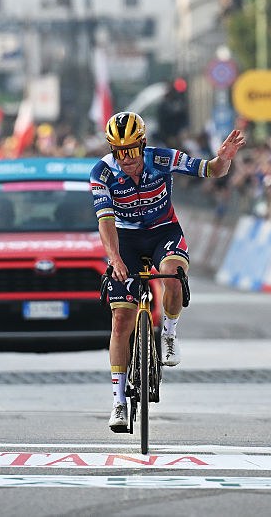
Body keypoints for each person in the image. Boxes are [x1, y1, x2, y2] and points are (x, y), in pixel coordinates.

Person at [91, 111, 245, 432]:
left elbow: (210, 170)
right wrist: (115, 259)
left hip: (164, 233)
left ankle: (170, 334)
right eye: (120, 152)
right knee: (121, 320)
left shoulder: (162, 159)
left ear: (143, 144)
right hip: (127, 240)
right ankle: (119, 401)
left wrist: (223, 159)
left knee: (173, 277)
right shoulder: (102, 173)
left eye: (132, 150)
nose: (127, 159)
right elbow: (105, 222)